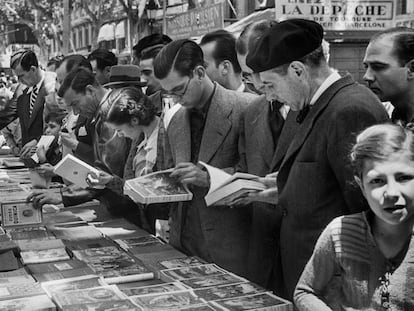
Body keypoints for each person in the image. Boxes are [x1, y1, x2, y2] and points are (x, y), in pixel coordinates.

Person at [246, 19, 390, 299]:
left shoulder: (349, 110)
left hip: (335, 288)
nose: (269, 96)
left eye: (270, 85)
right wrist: (284, 187)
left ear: (298, 71)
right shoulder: (317, 105)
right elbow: (324, 187)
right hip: (310, 280)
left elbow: (370, 215)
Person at [153, 39, 258, 276]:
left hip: (230, 246)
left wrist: (208, 178)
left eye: (179, 89)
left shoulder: (247, 108)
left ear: (199, 72)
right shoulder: (176, 119)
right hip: (184, 242)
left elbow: (259, 175)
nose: (176, 98)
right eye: (169, 92)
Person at [294, 123, 414, 311]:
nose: (391, 192)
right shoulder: (340, 233)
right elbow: (305, 291)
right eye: (377, 181)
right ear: (362, 186)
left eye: (403, 178)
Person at [233, 20, 293, 293]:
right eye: (247, 76)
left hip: (304, 256)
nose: (256, 84)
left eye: (260, 72)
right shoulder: (252, 111)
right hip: (262, 255)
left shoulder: (314, 109)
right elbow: (247, 169)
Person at [0, 49, 60, 157]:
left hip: (49, 159)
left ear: (33, 69)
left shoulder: (52, 86)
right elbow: (7, 115)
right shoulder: (21, 89)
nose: (19, 80)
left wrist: (38, 141)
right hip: (29, 159)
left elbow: (58, 125)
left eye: (21, 76)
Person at [363, 27, 414, 124]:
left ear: (412, 69)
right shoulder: (399, 117)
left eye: (378, 67)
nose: (367, 76)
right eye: (366, 67)